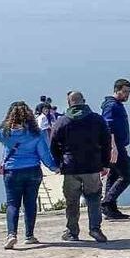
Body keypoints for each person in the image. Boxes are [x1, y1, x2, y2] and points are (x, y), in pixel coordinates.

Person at [0, 101, 57, 249]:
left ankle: (11, 235)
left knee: (12, 203)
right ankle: (29, 235)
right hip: (33, 170)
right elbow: (44, 155)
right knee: (30, 203)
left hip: (12, 171)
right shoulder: (36, 134)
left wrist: (7, 127)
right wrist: (54, 167)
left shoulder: (6, 134)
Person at [50, 91, 112, 243]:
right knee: (94, 198)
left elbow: (53, 145)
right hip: (92, 166)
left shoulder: (62, 121)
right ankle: (95, 229)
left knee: (72, 201)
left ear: (69, 103)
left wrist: (59, 162)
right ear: (83, 101)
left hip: (70, 167)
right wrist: (105, 163)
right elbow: (106, 142)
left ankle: (72, 232)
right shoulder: (97, 119)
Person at [101, 79, 130, 220]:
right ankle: (107, 202)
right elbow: (108, 127)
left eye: (128, 92)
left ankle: (110, 208)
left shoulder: (117, 105)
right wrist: (113, 148)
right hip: (115, 146)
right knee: (126, 175)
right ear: (117, 90)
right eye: (125, 91)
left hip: (118, 145)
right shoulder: (111, 105)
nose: (127, 95)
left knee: (113, 175)